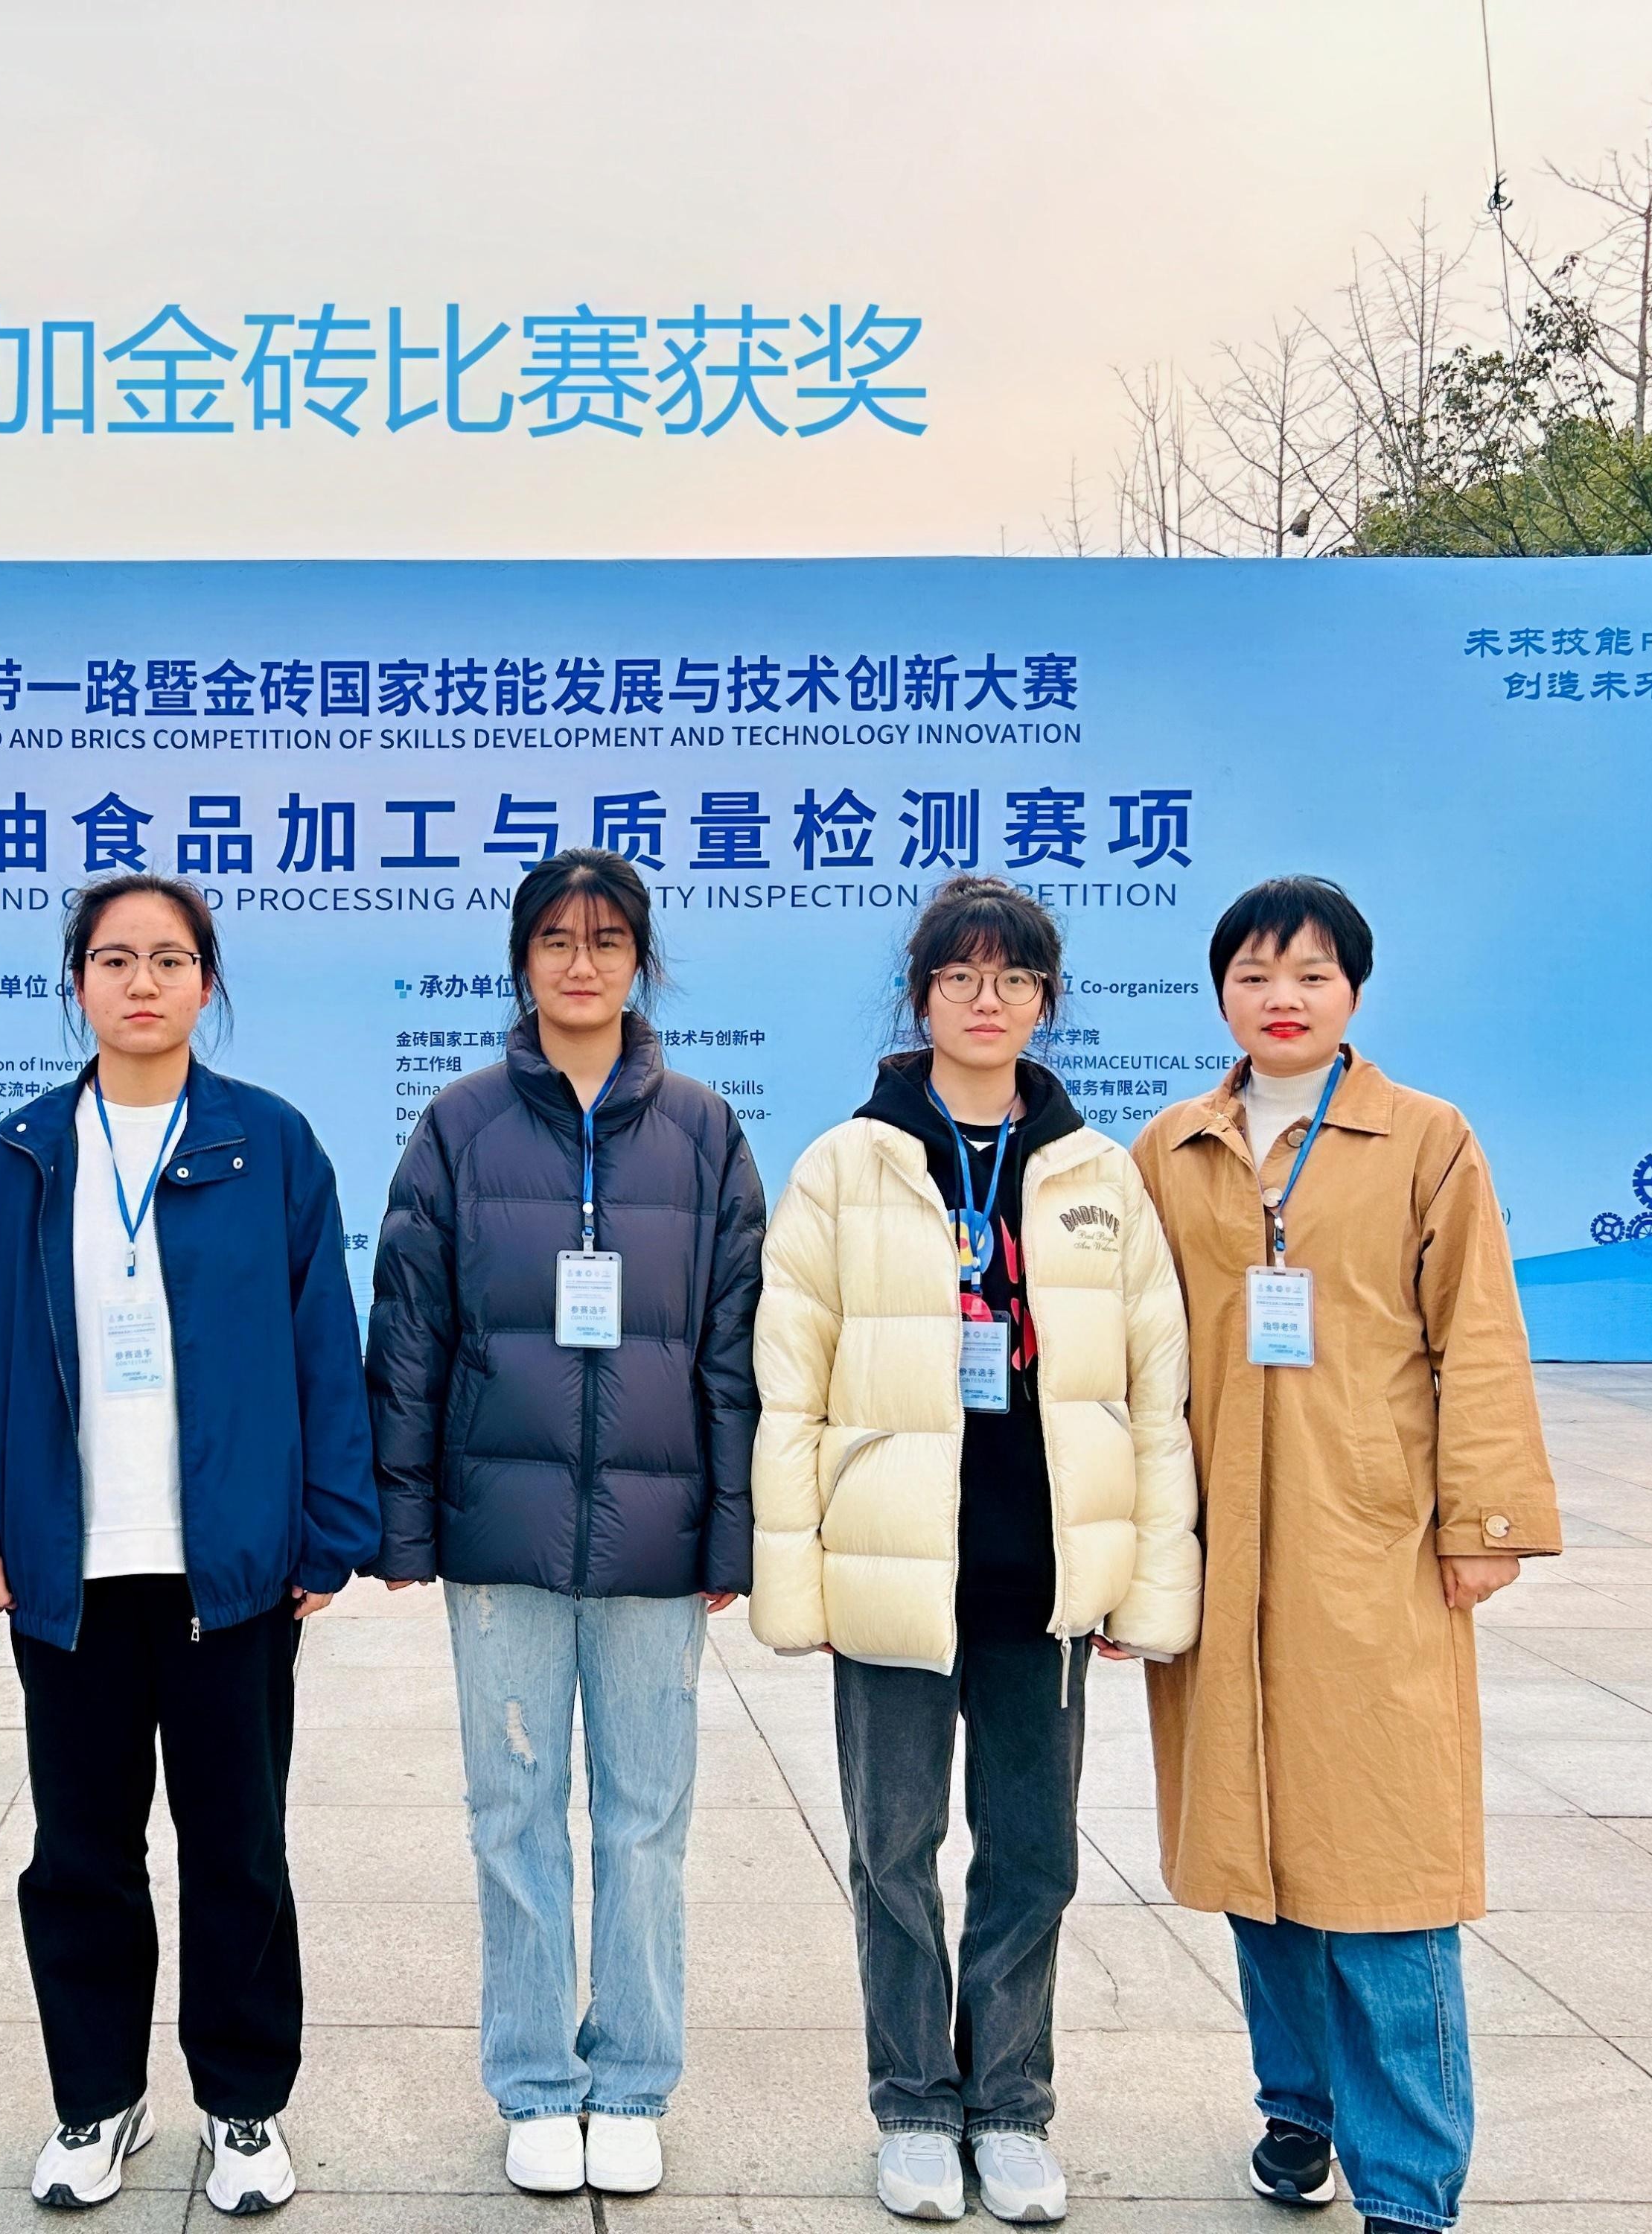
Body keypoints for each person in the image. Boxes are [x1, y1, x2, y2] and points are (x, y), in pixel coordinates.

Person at [751, 875, 1199, 2227]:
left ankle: (1009, 2108)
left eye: (1012, 979)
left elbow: (1155, 1393)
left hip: (1040, 1579)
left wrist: (1144, 1581)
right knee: (894, 1854)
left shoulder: (1098, 1174)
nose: (985, 1000)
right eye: (959, 977)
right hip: (896, 1569)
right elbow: (791, 1382)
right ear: (923, 996)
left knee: (1033, 1856)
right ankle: (911, 2107)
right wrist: (797, 1576)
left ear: (1046, 1001)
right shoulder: (847, 1164)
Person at [0, 872, 380, 2218]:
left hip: (229, 1569)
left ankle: (244, 2107)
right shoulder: (24, 1154)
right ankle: (98, 2101)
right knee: (81, 1849)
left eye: (171, 960)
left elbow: (324, 1342)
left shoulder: (270, 1143)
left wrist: (330, 1529)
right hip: (68, 1571)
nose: (143, 983)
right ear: (77, 981)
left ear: (208, 982)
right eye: (116, 959)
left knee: (237, 1846)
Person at [1129, 876, 1557, 2234]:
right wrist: (1128, 1548)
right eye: (1255, 975)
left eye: (1311, 974)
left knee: (1383, 1861)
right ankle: (1297, 2111)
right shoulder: (1172, 1146)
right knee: (1251, 1845)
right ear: (1221, 994)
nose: (1283, 998)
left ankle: (1410, 2185)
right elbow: (1129, 1357)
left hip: (1369, 1540)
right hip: (1221, 1546)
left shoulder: (1424, 1137)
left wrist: (1484, 1522)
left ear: (1354, 992)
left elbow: (1477, 1330)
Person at [363, 848, 765, 2199]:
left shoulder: (703, 1131)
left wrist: (732, 1530)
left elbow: (733, 1347)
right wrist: (406, 1524)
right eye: (555, 940)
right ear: (521, 961)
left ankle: (634, 2079)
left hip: (658, 1536)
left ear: (640, 962)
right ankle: (536, 2080)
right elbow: (409, 1333)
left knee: (646, 1819)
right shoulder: (461, 1125)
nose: (580, 964)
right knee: (512, 1811)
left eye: (605, 940)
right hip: (502, 1530)